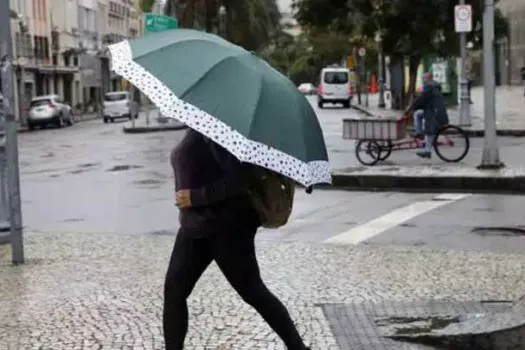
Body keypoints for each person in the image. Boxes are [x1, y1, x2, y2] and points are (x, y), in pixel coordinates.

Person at [164, 128, 310, 350]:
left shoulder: (222, 129)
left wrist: (196, 197)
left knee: (253, 291)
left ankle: (298, 348)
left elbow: (240, 176)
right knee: (175, 290)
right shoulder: (201, 125)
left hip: (227, 227)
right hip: (194, 226)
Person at [405, 72, 449, 159]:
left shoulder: (429, 87)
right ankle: (419, 132)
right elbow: (425, 100)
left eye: (424, 78)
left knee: (430, 129)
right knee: (418, 114)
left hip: (434, 113)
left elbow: (421, 99)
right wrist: (414, 108)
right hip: (435, 110)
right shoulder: (434, 86)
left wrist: (411, 108)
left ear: (428, 78)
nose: (422, 80)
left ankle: (427, 151)